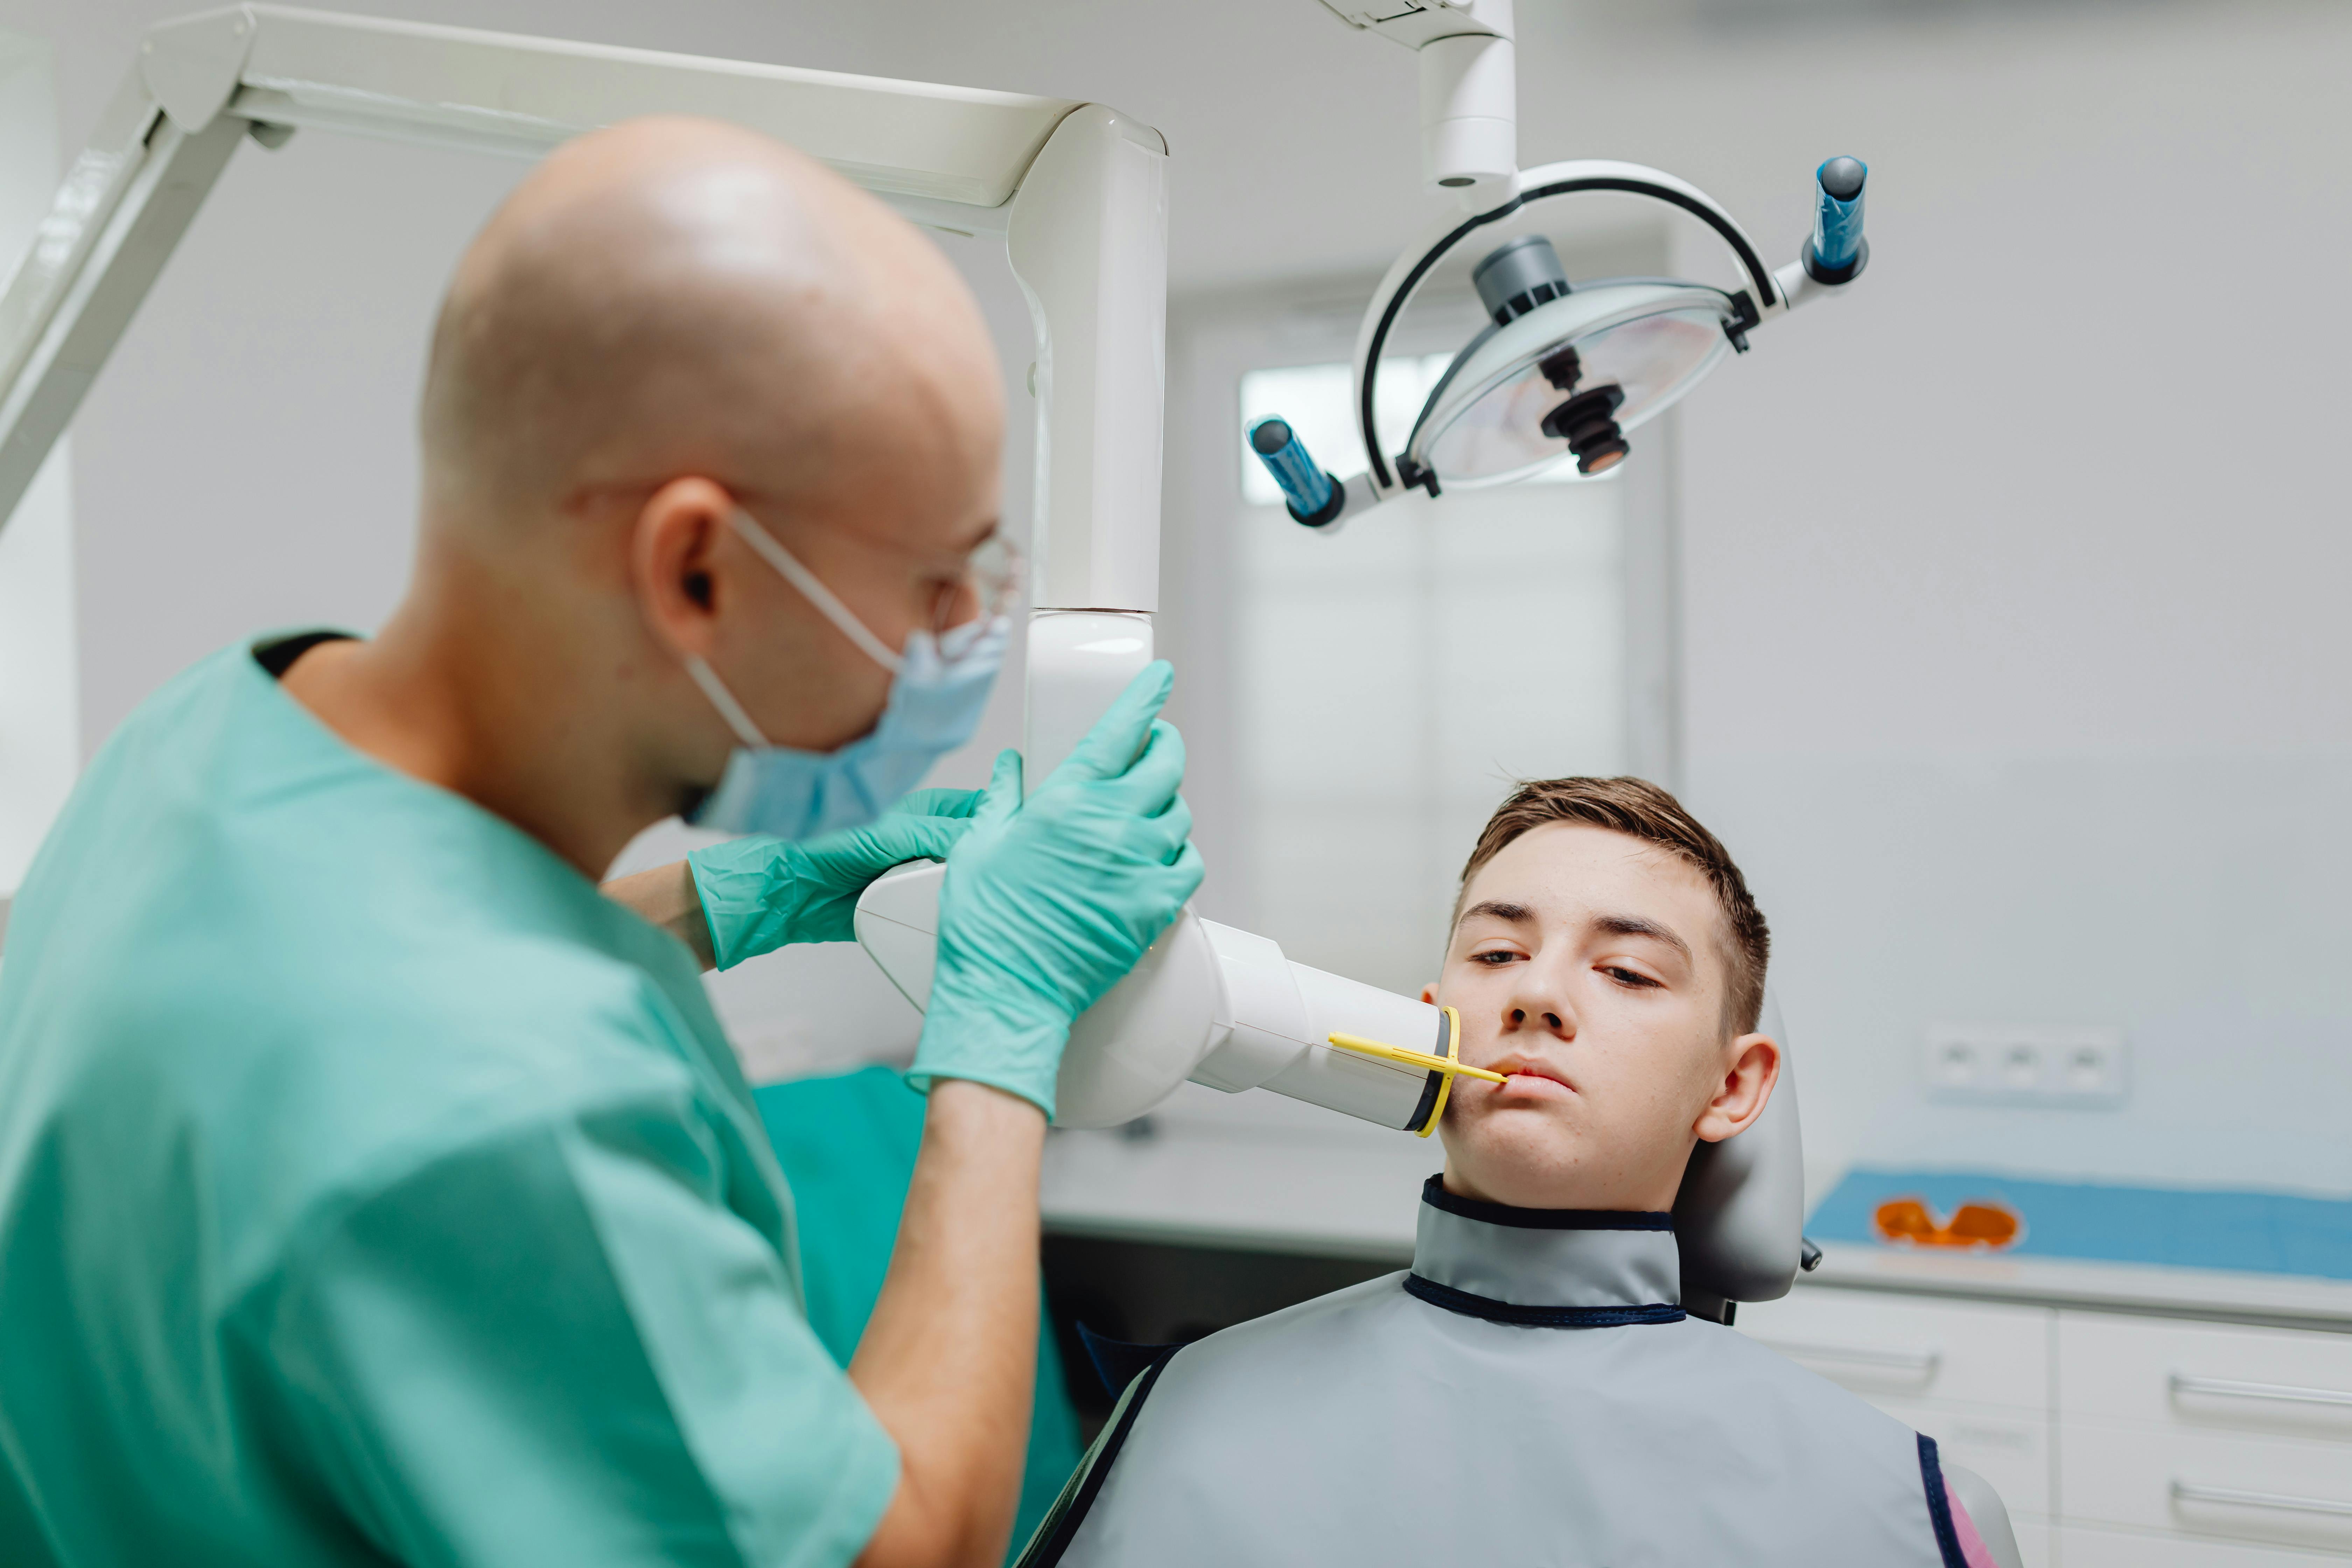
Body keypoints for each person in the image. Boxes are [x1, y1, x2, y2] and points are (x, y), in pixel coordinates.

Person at [0, 117, 1200, 1568]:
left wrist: (720, 897)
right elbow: (899, 1550)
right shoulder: (511, 1111)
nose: (955, 640)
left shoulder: (208, 732)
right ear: (694, 567)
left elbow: (353, 981)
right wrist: (999, 1038)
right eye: (937, 581)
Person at [1019, 778, 2021, 1568]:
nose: (1537, 992)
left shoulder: (1898, 1511)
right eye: (1497, 952)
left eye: (1626, 971)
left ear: (1735, 1085)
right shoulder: (1184, 1416)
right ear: (1425, 1025)